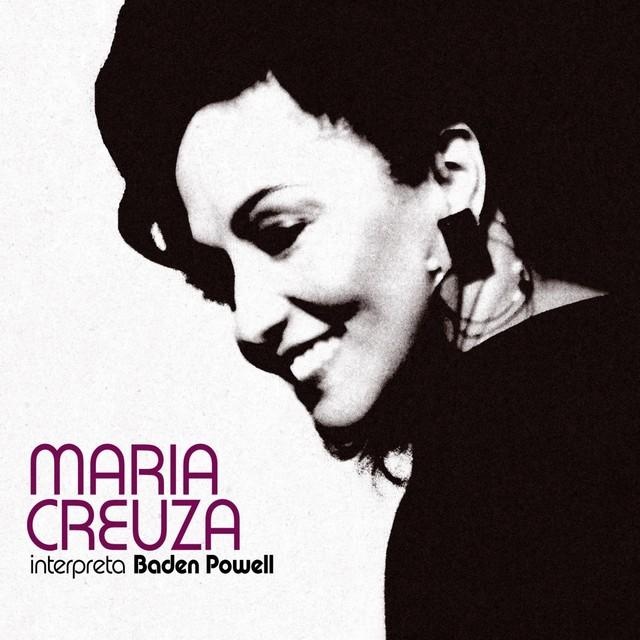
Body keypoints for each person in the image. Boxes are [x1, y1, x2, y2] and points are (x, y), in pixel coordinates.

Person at [96, 2, 639, 637]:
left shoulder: (488, 504)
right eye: (222, 276)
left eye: (281, 232)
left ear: (451, 178)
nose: (248, 322)